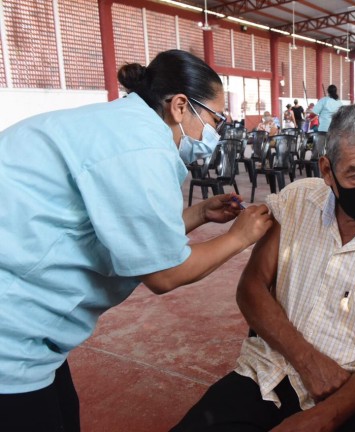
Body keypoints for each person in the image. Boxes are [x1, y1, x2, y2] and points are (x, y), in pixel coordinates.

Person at [0, 50, 273, 431]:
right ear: (180, 106)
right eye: (215, 118)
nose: (215, 130)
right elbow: (164, 273)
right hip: (12, 324)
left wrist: (198, 214)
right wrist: (239, 237)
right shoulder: (140, 148)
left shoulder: (120, 125)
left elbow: (128, 230)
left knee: (61, 409)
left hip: (27, 322)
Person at [172, 102, 355, 432]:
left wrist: (326, 415)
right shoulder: (298, 201)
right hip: (266, 373)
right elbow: (251, 287)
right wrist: (307, 360)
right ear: (327, 171)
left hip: (349, 394)